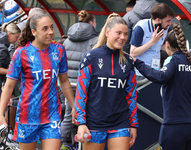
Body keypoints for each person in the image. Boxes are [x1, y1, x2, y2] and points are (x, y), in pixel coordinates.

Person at [0, 13, 75, 150]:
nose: (50, 32)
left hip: (52, 115)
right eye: (45, 29)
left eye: (51, 27)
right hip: (27, 115)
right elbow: (8, 86)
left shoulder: (59, 50)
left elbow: (64, 82)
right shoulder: (22, 53)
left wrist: (74, 107)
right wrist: (1, 115)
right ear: (34, 32)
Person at [75, 13, 138, 150]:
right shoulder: (90, 57)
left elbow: (131, 95)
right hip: (94, 123)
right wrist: (81, 122)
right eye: (119, 33)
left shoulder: (128, 61)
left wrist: (133, 124)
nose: (122, 37)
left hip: (121, 123)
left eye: (125, 34)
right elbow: (81, 93)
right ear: (108, 32)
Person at [131, 23, 191, 150]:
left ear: (167, 45)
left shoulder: (174, 62)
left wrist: (138, 63)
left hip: (175, 126)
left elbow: (159, 76)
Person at [60, 10, 98, 149]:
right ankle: (81, 145)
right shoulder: (95, 40)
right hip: (86, 85)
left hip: (68, 84)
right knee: (86, 117)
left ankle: (60, 144)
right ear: (92, 23)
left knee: (68, 117)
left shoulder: (66, 41)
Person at [0, 22, 21, 149]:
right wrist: (15, 72)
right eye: (16, 37)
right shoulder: (2, 48)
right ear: (10, 34)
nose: (17, 40)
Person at [130, 3, 174, 80]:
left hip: (156, 71)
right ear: (158, 20)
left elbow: (160, 46)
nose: (170, 23)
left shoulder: (165, 28)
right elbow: (133, 53)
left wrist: (176, 49)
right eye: (168, 21)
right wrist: (152, 41)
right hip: (140, 73)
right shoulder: (141, 27)